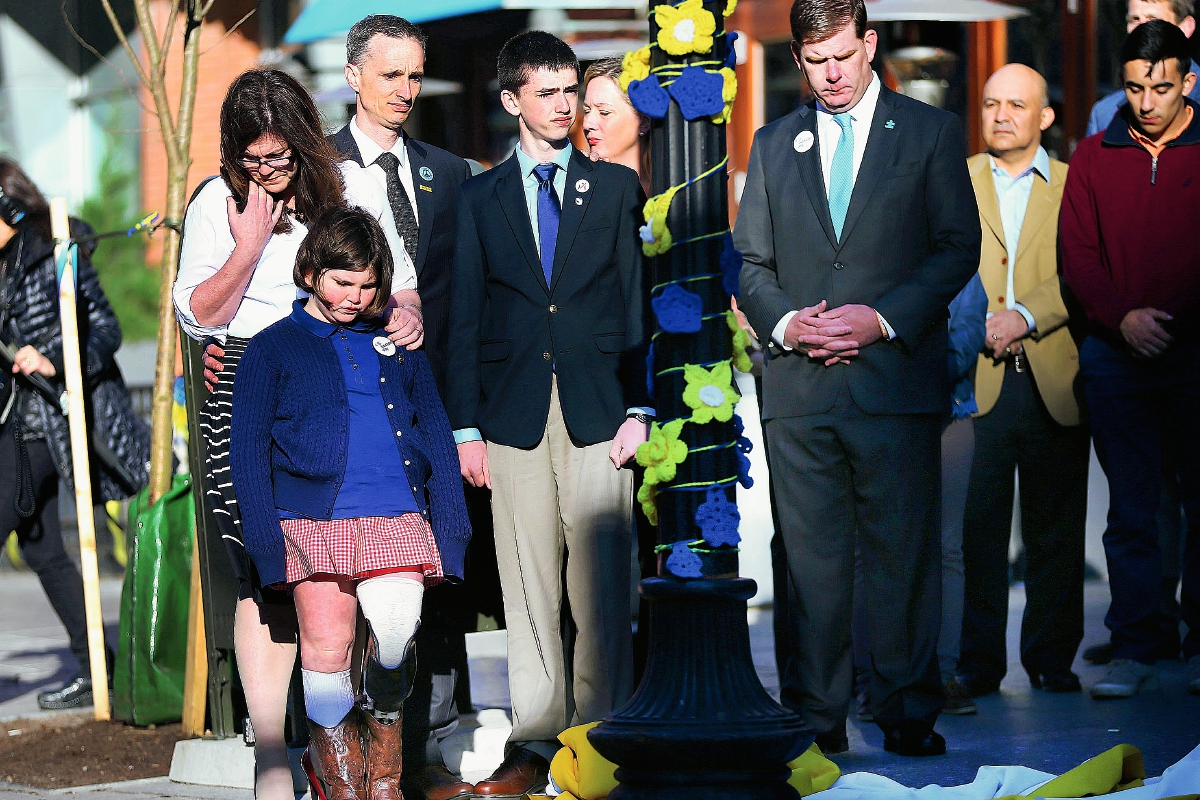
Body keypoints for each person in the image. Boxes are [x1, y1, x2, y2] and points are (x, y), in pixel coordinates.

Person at [734, 0, 981, 757]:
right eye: (815, 61)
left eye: (842, 55)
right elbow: (750, 261)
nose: (831, 73)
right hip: (801, 389)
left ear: (869, 44)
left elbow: (955, 247)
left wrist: (880, 319)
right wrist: (786, 324)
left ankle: (907, 709)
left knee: (903, 554)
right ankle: (818, 717)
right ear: (799, 61)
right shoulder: (774, 142)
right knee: (810, 563)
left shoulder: (931, 133)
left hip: (895, 378)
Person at [173, 68, 422, 800]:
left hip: (342, 376)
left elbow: (397, 285)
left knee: (349, 564)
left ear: (308, 142)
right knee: (267, 570)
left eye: (281, 158)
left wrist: (403, 317)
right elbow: (198, 314)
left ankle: (357, 742)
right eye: (255, 159)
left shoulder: (353, 186)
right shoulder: (215, 201)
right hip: (248, 375)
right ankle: (274, 756)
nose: (269, 171)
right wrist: (247, 244)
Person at [446, 31, 648, 796]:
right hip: (512, 416)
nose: (567, 107)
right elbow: (463, 317)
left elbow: (636, 308)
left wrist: (643, 408)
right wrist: (466, 429)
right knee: (527, 586)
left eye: (572, 92)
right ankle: (533, 740)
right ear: (511, 101)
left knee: (601, 582)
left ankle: (603, 736)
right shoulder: (478, 198)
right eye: (549, 93)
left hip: (602, 411)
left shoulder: (616, 189)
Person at [229, 206, 471, 800]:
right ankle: (356, 786)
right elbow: (247, 454)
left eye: (368, 286)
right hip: (311, 521)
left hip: (398, 514)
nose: (354, 298)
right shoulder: (271, 348)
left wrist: (451, 523)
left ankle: (384, 720)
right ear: (310, 271)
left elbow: (436, 432)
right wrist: (265, 545)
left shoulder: (397, 342)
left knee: (393, 634)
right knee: (327, 649)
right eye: (342, 282)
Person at [326, 17, 478, 800]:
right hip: (355, 414)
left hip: (438, 404)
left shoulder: (451, 173)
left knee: (440, 562)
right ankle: (353, 743)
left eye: (415, 76)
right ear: (353, 75)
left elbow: (468, 300)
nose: (406, 92)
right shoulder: (317, 170)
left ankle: (428, 735)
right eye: (391, 76)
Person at [1061, 19, 1200, 699]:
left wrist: (1171, 319)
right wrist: (1123, 318)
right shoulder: (1093, 155)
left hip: (1197, 350)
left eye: (1163, 87)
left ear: (1189, 82)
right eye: (1137, 87)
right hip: (1116, 357)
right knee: (1132, 509)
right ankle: (1138, 646)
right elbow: (1077, 256)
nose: (1148, 102)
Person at [957, 64, 1090, 699]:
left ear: (1045, 117)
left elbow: (1088, 268)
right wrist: (975, 318)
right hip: (973, 377)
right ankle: (977, 663)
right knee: (975, 530)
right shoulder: (957, 181)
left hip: (1051, 375)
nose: (1001, 115)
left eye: (1016, 104)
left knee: (1055, 530)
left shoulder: (1075, 184)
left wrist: (1026, 315)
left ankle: (1052, 658)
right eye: (990, 104)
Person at [0, 157, 149, 710]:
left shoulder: (56, 251)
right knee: (42, 550)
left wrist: (53, 359)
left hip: (50, 422)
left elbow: (105, 331)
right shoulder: (2, 265)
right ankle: (95, 667)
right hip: (18, 420)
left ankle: (102, 668)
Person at [852, 274, 988, 721]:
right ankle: (875, 681)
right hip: (881, 413)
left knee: (945, 549)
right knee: (875, 549)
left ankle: (943, 673)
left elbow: (966, 336)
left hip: (946, 413)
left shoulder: (956, 258)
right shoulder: (878, 245)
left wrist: (905, 370)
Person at [1087, 0, 1200, 136]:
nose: (1141, 29)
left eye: (1153, 20)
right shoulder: (1105, 115)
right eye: (1135, 19)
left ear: (1185, 28)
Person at [581, 57, 651, 195]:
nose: (588, 123)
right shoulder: (581, 185)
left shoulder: (673, 185)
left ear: (644, 121)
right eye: (587, 111)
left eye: (604, 113)